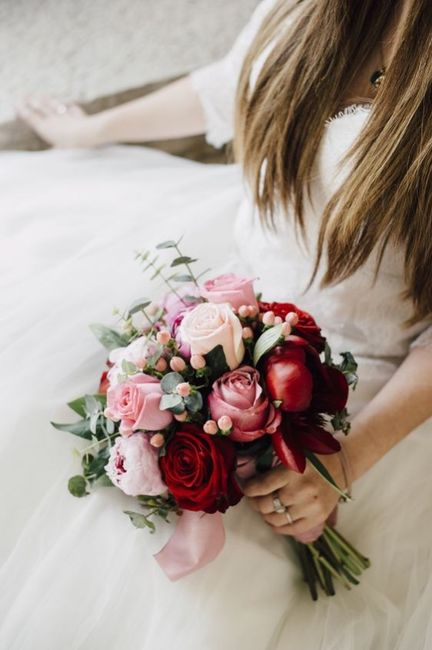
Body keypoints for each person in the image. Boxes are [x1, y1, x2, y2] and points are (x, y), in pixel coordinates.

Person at [1, 0, 432, 647]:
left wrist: (342, 465)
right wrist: (94, 131)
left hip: (364, 379)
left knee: (205, 605)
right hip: (223, 296)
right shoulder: (309, 9)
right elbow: (236, 82)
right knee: (29, 423)